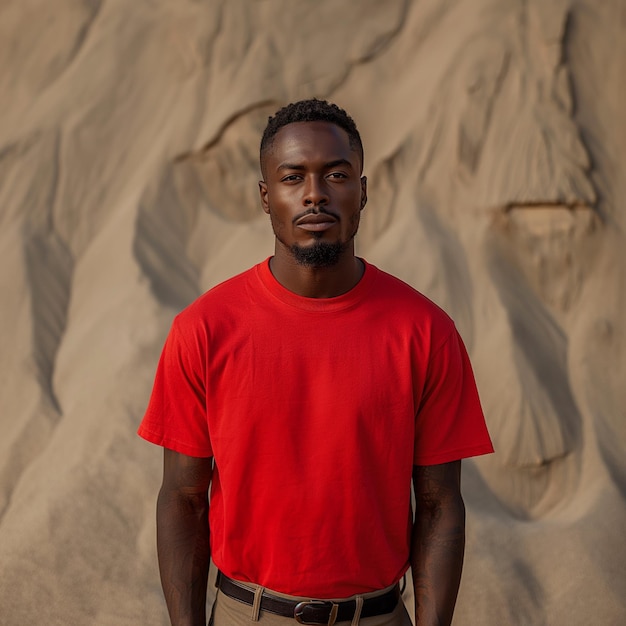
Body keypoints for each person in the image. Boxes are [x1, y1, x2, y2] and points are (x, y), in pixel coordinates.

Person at [138, 99, 494, 626]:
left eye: (336, 174)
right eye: (291, 176)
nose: (314, 193)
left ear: (362, 192)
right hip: (247, 615)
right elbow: (183, 499)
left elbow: (440, 504)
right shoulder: (204, 329)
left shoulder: (426, 331)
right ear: (266, 196)